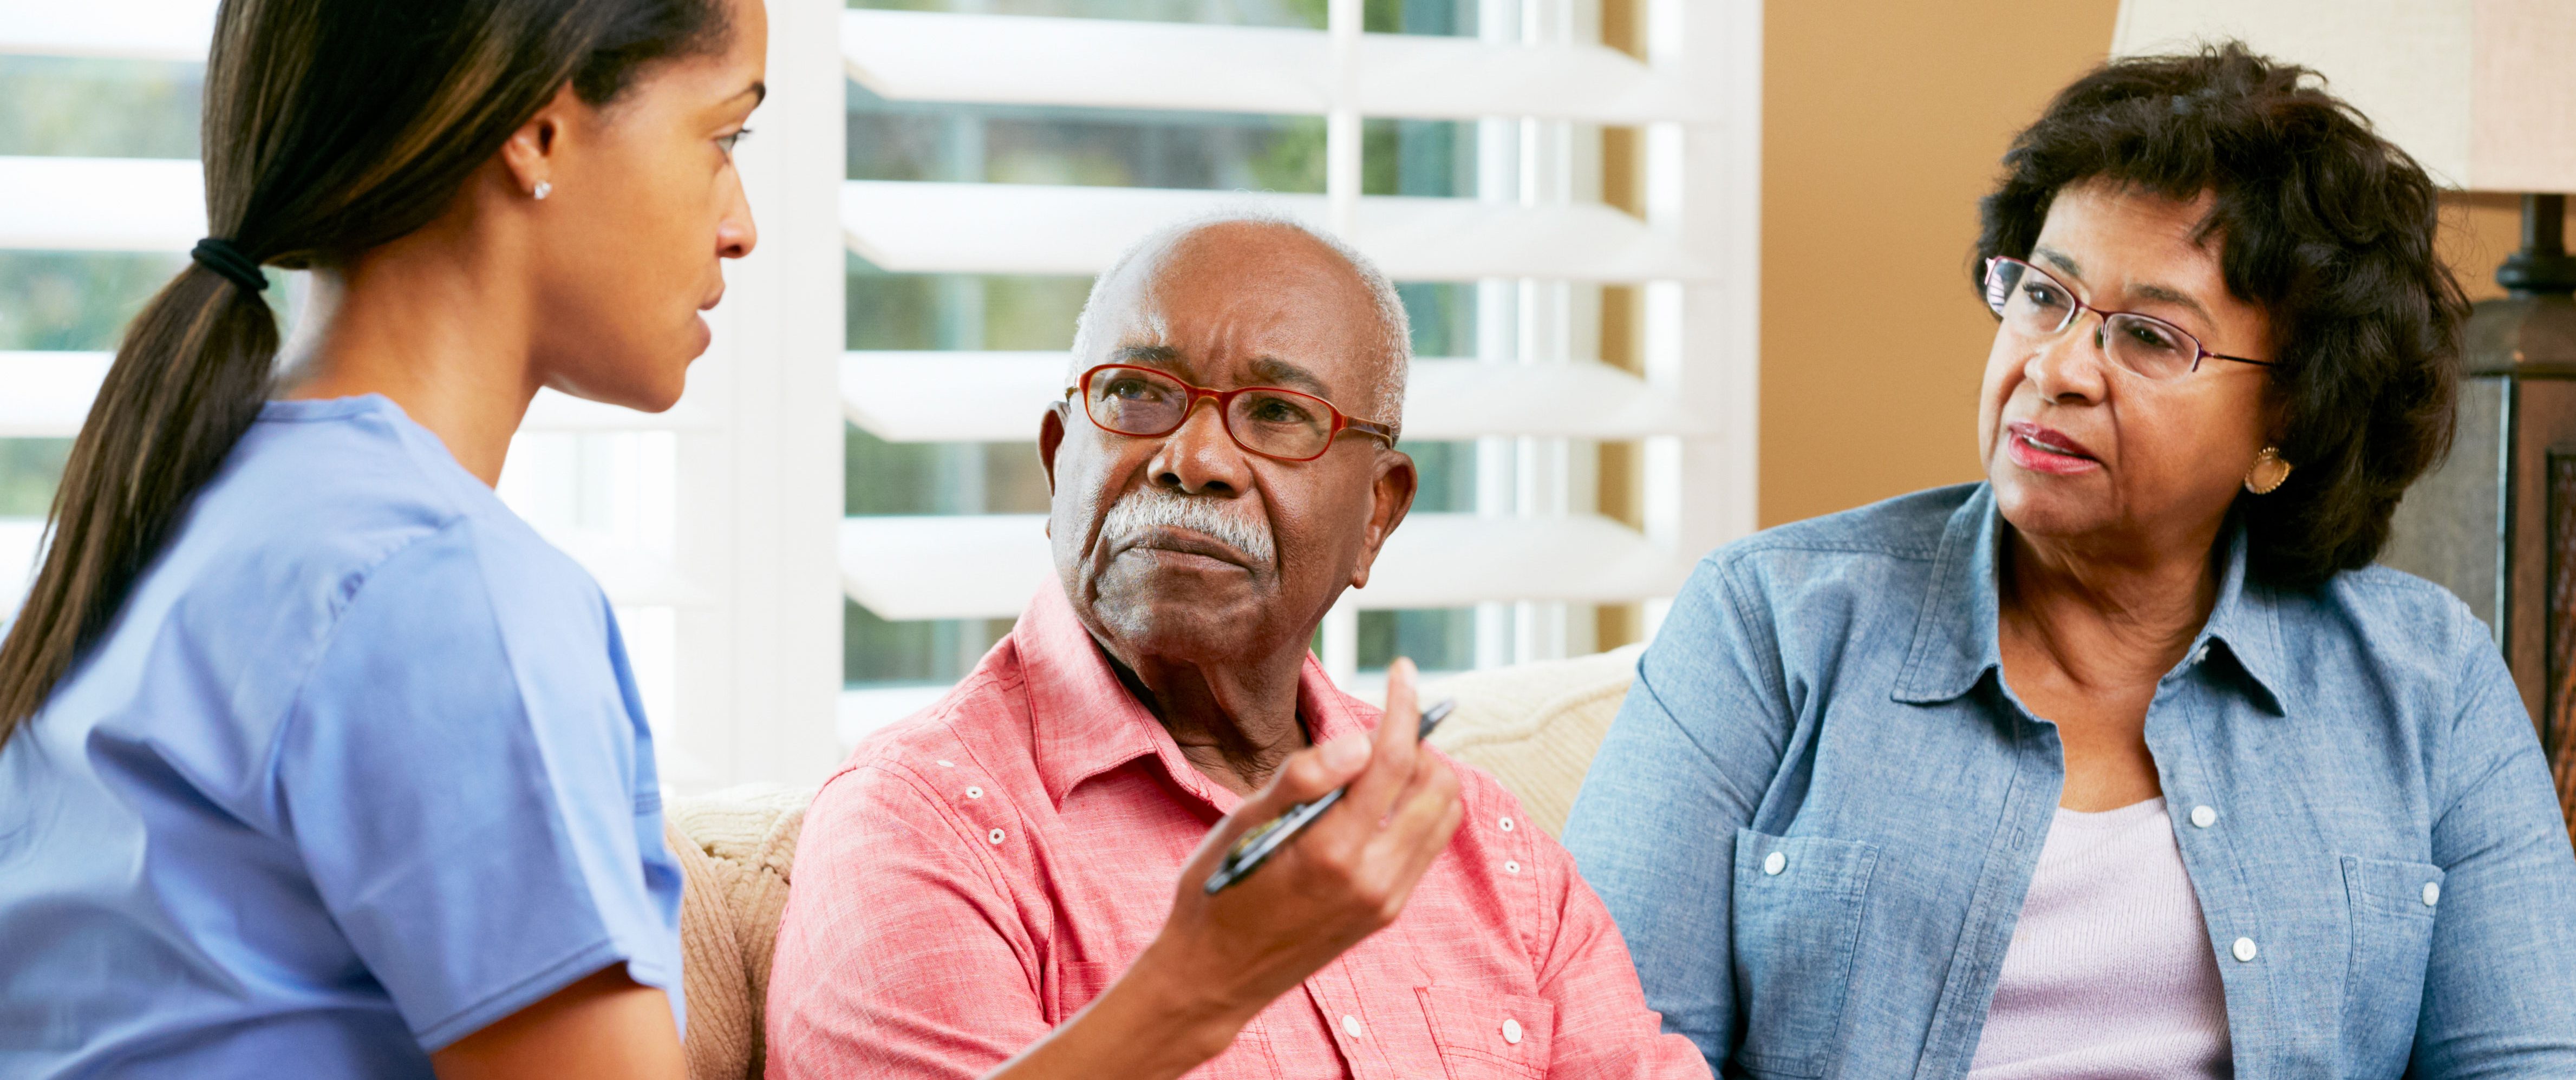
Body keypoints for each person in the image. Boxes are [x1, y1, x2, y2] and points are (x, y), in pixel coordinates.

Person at [1563, 43, 2576, 1078]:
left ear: (2287, 427)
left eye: (2152, 338)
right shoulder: (1769, 623)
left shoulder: (2428, 683)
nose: (2057, 368)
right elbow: (1600, 1052)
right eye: (2043, 295)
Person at [0, 0, 764, 1076]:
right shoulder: (440, 586)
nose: (743, 224)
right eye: (725, 137)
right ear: (537, 132)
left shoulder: (184, 504)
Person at [765, 214, 1707, 1080]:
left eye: (1277, 413)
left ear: (1377, 514)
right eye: (1137, 393)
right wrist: (1195, 988)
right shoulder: (922, 825)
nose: (1195, 459)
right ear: (1059, 463)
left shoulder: (1488, 845)